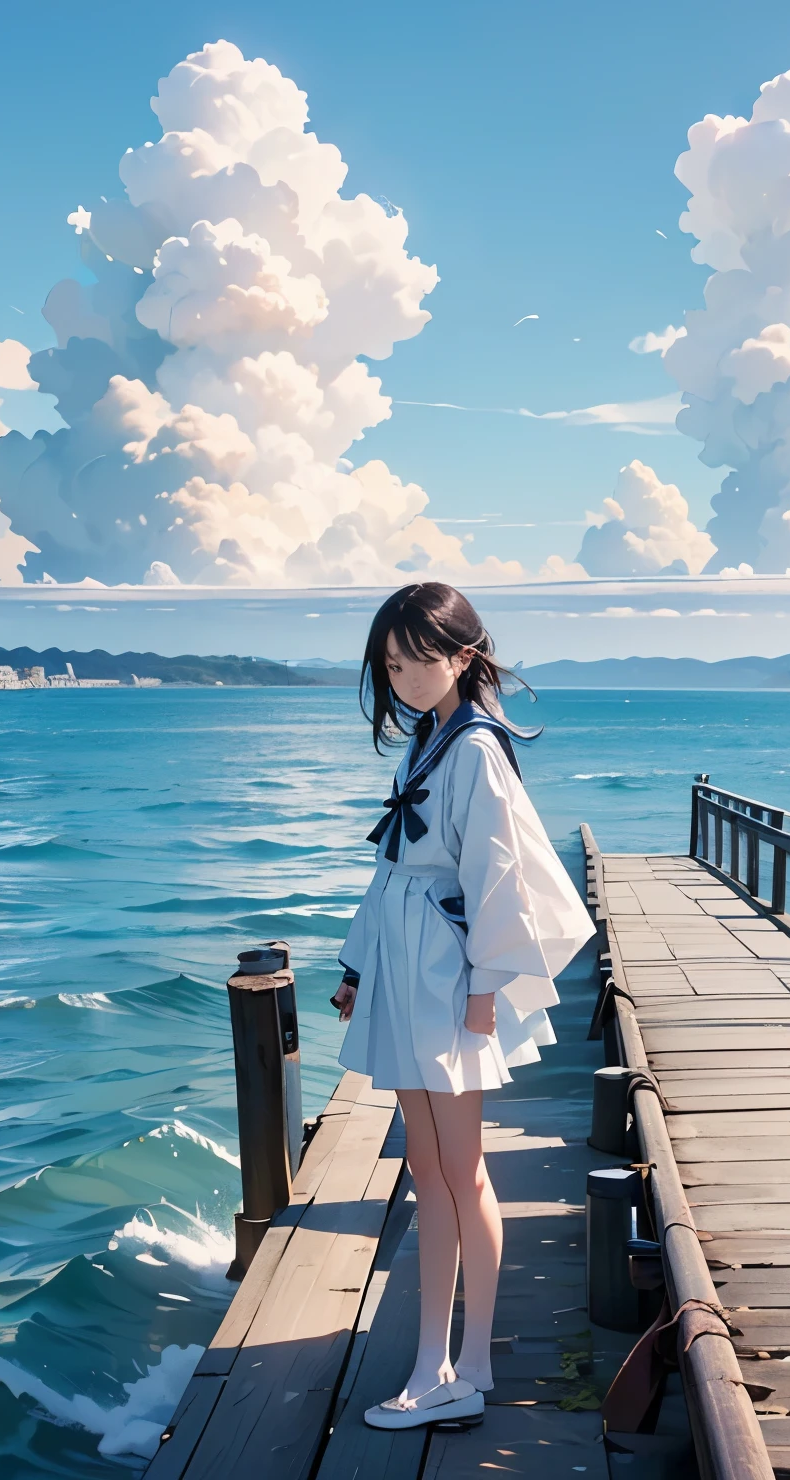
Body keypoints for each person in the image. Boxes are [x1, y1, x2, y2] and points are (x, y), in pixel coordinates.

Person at [331, 581, 595, 1431]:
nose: (402, 678)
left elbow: (497, 875)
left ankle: (449, 1364)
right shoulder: (429, 738)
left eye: (418, 660)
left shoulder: (473, 747)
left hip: (446, 975)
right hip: (410, 966)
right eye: (391, 663)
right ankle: (452, 1361)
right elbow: (396, 870)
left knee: (453, 1171)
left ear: (465, 657)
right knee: (431, 1169)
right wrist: (357, 964)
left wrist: (485, 989)